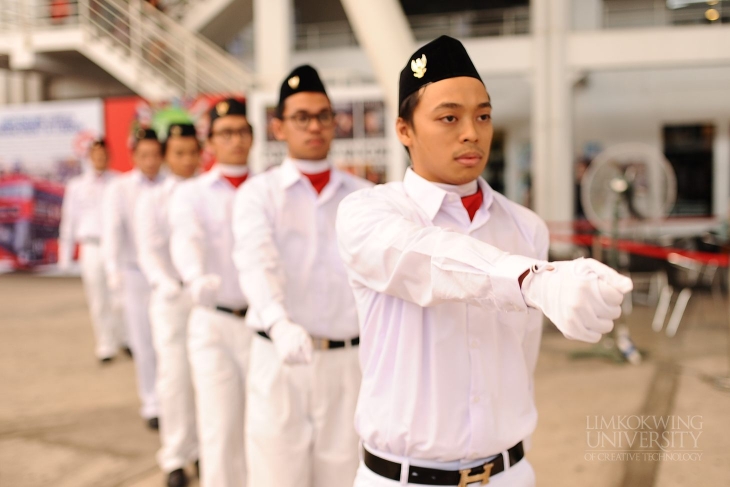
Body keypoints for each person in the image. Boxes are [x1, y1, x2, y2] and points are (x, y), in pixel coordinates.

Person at [336, 36, 634, 487]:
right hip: (403, 479)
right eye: (449, 117)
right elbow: (427, 259)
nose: (471, 132)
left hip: (508, 473)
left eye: (483, 115)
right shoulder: (369, 213)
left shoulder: (524, 227)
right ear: (404, 129)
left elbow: (521, 354)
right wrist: (532, 281)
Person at [232, 65, 371, 487]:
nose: (315, 127)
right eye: (301, 117)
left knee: (345, 475)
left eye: (323, 116)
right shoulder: (259, 193)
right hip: (279, 357)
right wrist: (277, 321)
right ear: (278, 127)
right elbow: (255, 260)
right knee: (277, 474)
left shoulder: (363, 196)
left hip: (347, 361)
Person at [169, 99, 253, 487]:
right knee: (219, 429)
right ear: (211, 142)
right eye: (225, 133)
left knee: (264, 428)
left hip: (260, 322)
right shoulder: (193, 193)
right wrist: (194, 275)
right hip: (214, 319)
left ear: (251, 136)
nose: (235, 140)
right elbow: (186, 237)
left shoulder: (267, 189)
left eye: (241, 131)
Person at [135, 124, 201, 487]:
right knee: (174, 378)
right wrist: (167, 284)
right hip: (171, 298)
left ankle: (205, 448)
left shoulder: (210, 191)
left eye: (193, 152)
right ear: (167, 156)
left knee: (208, 378)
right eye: (179, 153)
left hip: (208, 300)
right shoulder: (154, 198)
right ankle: (176, 456)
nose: (187, 160)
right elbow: (147, 250)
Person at [102, 128, 165, 430]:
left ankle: (171, 397)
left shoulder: (171, 185)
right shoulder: (121, 188)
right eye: (145, 155)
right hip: (136, 273)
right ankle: (151, 400)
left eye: (156, 155)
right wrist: (113, 272)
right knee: (143, 341)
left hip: (167, 276)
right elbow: (112, 231)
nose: (151, 161)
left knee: (168, 340)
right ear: (134, 156)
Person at [58, 139, 126, 363]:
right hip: (92, 246)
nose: (100, 159)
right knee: (98, 297)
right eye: (96, 155)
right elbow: (69, 221)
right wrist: (64, 257)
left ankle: (124, 338)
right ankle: (106, 344)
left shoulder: (119, 182)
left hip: (116, 246)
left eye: (104, 155)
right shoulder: (77, 185)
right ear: (90, 157)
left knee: (120, 296)